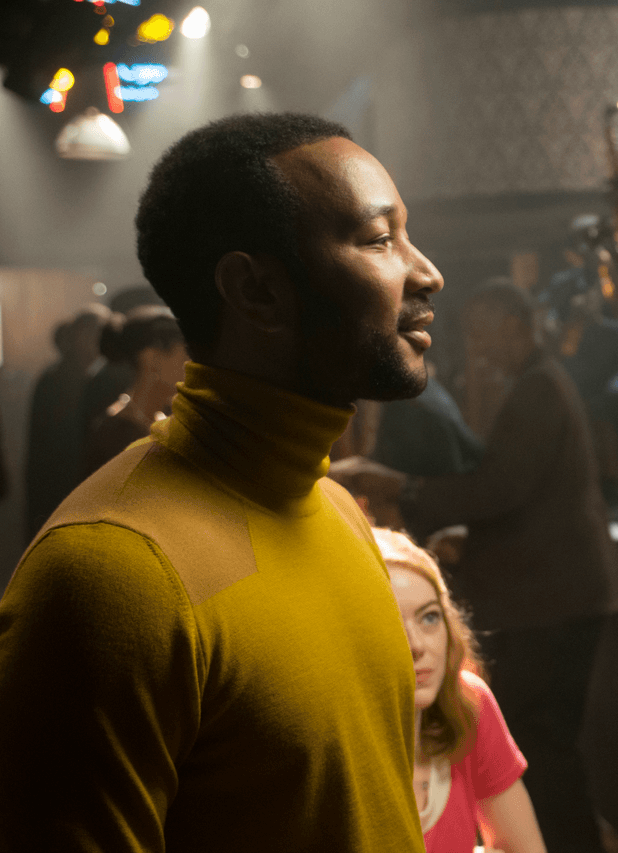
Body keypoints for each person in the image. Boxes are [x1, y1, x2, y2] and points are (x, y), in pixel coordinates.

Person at [0, 112, 443, 851]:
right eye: (378, 239)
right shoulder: (112, 574)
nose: (426, 272)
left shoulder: (335, 509)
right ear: (256, 290)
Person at [333, 281, 618, 853]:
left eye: (484, 331)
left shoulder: (538, 387)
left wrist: (404, 488)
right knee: (548, 744)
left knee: (545, 746)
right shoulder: (536, 382)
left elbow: (501, 488)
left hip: (556, 597)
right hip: (560, 592)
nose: (476, 346)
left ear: (518, 326)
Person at [375, 527, 546, 853]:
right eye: (389, 624)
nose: (416, 645)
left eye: (429, 617)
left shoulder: (466, 700)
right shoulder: (325, 752)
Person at [24, 304, 110, 538]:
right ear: (77, 337)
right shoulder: (55, 380)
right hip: (59, 487)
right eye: (91, 335)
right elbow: (46, 448)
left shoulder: (100, 378)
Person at [82, 306, 188, 477]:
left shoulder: (165, 421)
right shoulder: (114, 437)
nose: (190, 366)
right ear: (151, 358)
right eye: (185, 357)